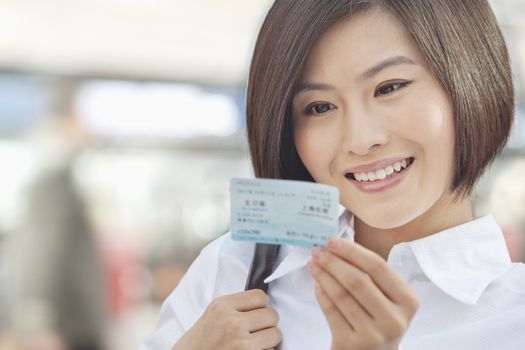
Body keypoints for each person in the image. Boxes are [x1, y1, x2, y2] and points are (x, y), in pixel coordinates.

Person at [141, 0, 525, 349]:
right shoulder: (234, 268)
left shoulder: (513, 318)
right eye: (320, 107)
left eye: (389, 87)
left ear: (473, 78)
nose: (359, 140)